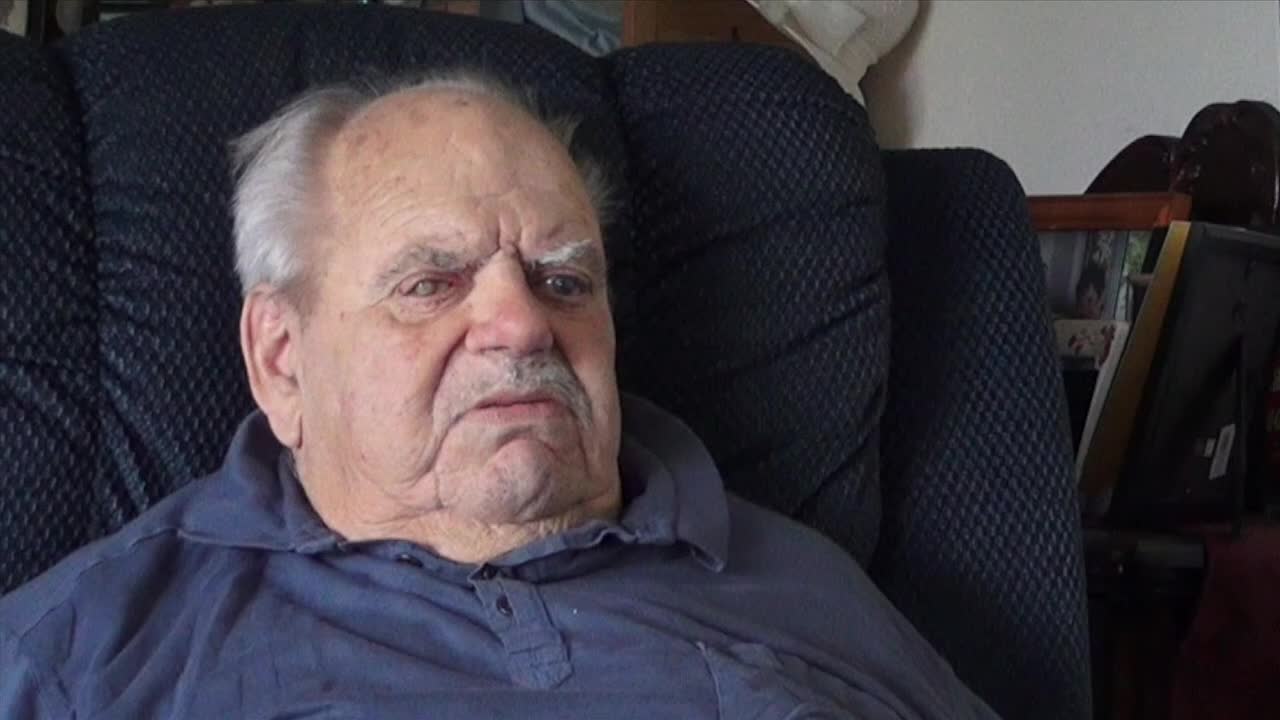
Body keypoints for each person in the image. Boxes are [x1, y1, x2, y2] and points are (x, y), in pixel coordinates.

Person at [0, 70, 997, 719]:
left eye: (563, 280)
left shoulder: (808, 589)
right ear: (281, 358)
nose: (522, 326)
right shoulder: (81, 651)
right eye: (431, 283)